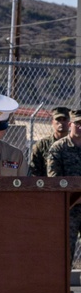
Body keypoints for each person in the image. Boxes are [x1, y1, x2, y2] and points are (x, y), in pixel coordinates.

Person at [45, 109, 81, 281]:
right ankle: (62, 286)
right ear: (70, 124)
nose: (80, 127)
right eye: (78, 124)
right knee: (66, 248)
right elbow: (54, 179)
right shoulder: (58, 148)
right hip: (69, 207)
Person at [29, 106, 70, 177]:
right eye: (58, 119)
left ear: (69, 123)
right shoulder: (42, 145)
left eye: (64, 119)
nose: (61, 122)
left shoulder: (76, 143)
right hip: (48, 185)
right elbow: (34, 170)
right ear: (52, 122)